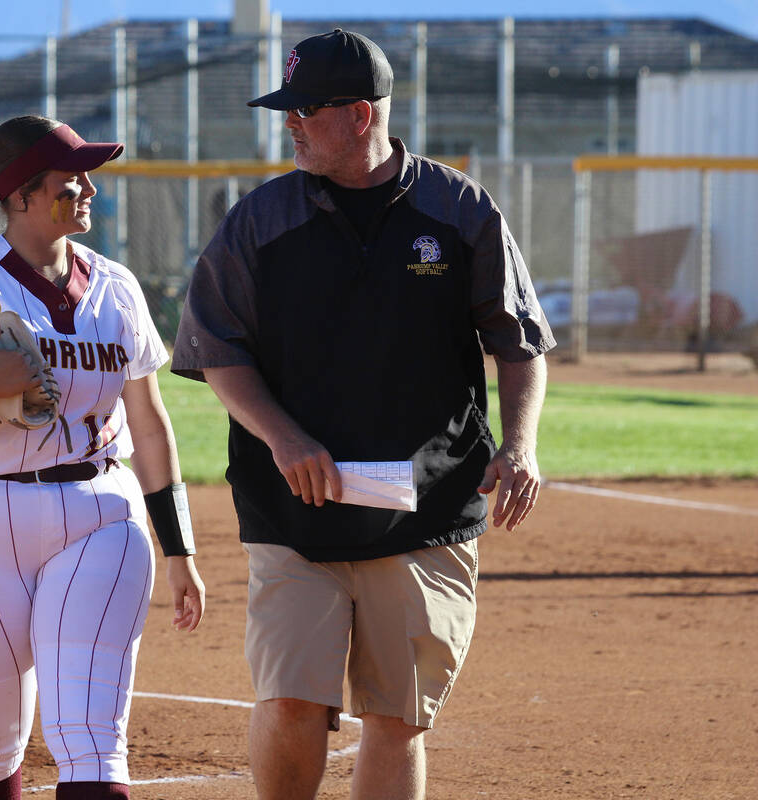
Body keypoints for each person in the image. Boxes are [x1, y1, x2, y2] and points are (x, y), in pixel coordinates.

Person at [171, 29, 553, 800]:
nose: (290, 125)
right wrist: (283, 437)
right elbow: (217, 349)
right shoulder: (260, 220)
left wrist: (521, 446)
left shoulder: (460, 210)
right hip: (293, 505)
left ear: (356, 114)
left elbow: (519, 343)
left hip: (424, 508)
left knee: (398, 717)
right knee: (289, 703)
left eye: (303, 109)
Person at [0, 115, 205, 800]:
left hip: (100, 516)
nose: (88, 188)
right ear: (22, 195)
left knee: (93, 742)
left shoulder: (117, 288)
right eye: (71, 179)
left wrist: (180, 550)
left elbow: (147, 426)